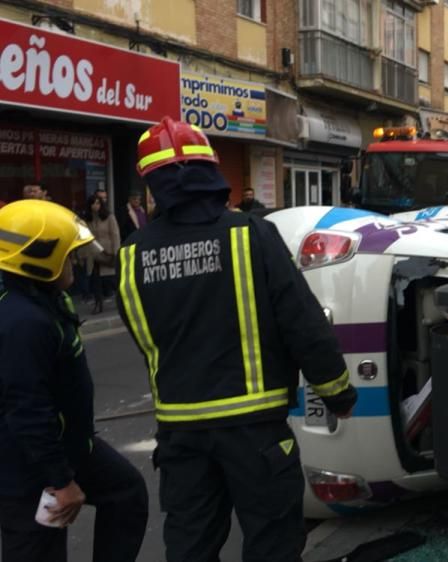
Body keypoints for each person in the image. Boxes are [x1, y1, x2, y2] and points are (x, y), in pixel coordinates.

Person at [117, 117, 357, 561]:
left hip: (180, 434)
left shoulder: (132, 253)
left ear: (152, 183)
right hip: (255, 433)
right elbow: (302, 323)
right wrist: (337, 390)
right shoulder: (251, 235)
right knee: (272, 544)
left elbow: (145, 335)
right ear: (211, 172)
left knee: (190, 545)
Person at [0, 199, 148, 562]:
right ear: (40, 260)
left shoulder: (43, 301)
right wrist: (61, 481)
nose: (75, 263)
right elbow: (27, 411)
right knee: (38, 549)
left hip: (68, 446)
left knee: (126, 492)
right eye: (67, 256)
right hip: (28, 467)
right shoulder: (23, 323)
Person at [82, 194, 120, 314]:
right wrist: (81, 254)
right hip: (93, 254)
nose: (95, 206)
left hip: (107, 252)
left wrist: (115, 252)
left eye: (98, 203)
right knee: (96, 280)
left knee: (112, 280)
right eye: (93, 203)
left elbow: (115, 235)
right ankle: (98, 304)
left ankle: (123, 300)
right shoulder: (87, 219)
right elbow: (84, 236)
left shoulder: (109, 217)